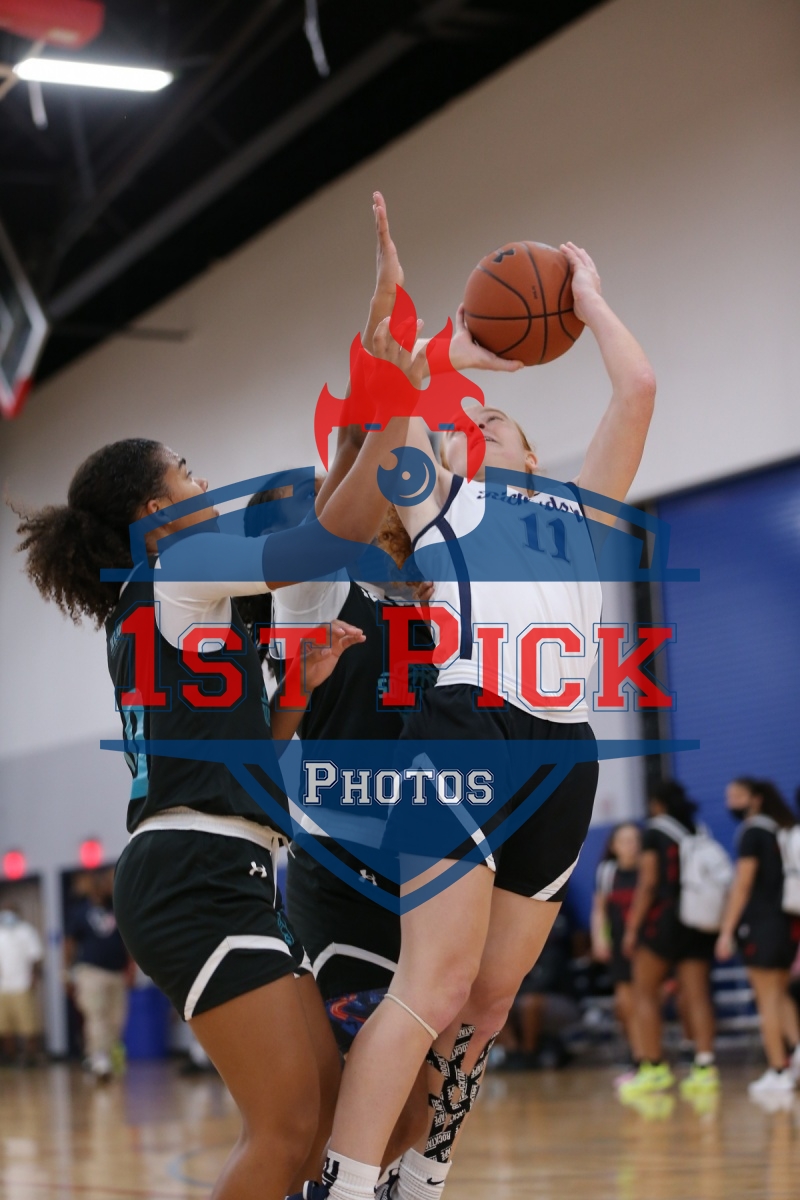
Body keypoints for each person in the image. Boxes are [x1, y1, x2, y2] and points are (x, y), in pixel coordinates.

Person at [12, 307, 424, 1200]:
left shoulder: (179, 603)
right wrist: (397, 401)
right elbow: (327, 539)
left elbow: (250, 759)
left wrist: (296, 692)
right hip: (192, 873)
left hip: (230, 868)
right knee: (285, 1132)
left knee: (323, 1123)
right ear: (158, 512)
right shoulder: (179, 568)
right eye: (187, 469)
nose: (205, 480)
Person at [304, 193, 656, 1200]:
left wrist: (588, 301)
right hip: (461, 725)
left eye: (492, 421)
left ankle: (423, 1177)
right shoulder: (439, 500)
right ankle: (343, 1185)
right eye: (463, 426)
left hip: (564, 751)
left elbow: (636, 387)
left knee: (488, 1005)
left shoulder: (581, 508)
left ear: (533, 454)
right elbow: (399, 391)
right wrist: (454, 346)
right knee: (433, 985)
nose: (475, 425)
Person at [620, 781, 718, 1100]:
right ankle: (704, 1067)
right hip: (698, 919)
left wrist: (632, 927)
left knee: (644, 992)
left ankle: (654, 1068)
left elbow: (649, 882)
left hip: (664, 919)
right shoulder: (696, 829)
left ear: (657, 803)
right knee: (697, 994)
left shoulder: (654, 831)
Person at [716, 777, 800, 1095]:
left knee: (767, 1001)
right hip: (788, 924)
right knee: (780, 994)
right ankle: (797, 1056)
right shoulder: (782, 830)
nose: (730, 803)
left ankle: (778, 1070)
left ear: (756, 799)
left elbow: (743, 885)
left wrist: (726, 930)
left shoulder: (752, 832)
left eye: (737, 796)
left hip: (762, 925)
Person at [64, 869, 130, 1079]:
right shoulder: (80, 912)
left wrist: (131, 969)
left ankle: (107, 1057)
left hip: (116, 972)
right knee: (96, 1016)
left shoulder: (117, 910)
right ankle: (98, 1057)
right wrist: (66, 973)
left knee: (116, 1020)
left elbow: (127, 942)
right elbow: (69, 943)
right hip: (90, 972)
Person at [591, 822, 643, 1076]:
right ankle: (638, 1056)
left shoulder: (647, 870)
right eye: (624, 840)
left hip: (646, 946)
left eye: (635, 840)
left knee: (647, 1004)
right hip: (620, 948)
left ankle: (651, 1055)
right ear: (613, 846)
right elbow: (599, 910)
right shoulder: (607, 872)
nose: (631, 845)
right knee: (625, 1006)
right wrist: (600, 939)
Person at [0, 902, 43, 1066]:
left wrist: (33, 978)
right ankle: (10, 1057)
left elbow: (35, 957)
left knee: (28, 1025)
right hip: (3, 986)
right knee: (4, 1026)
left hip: (22, 985)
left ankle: (30, 1057)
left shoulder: (26, 931)